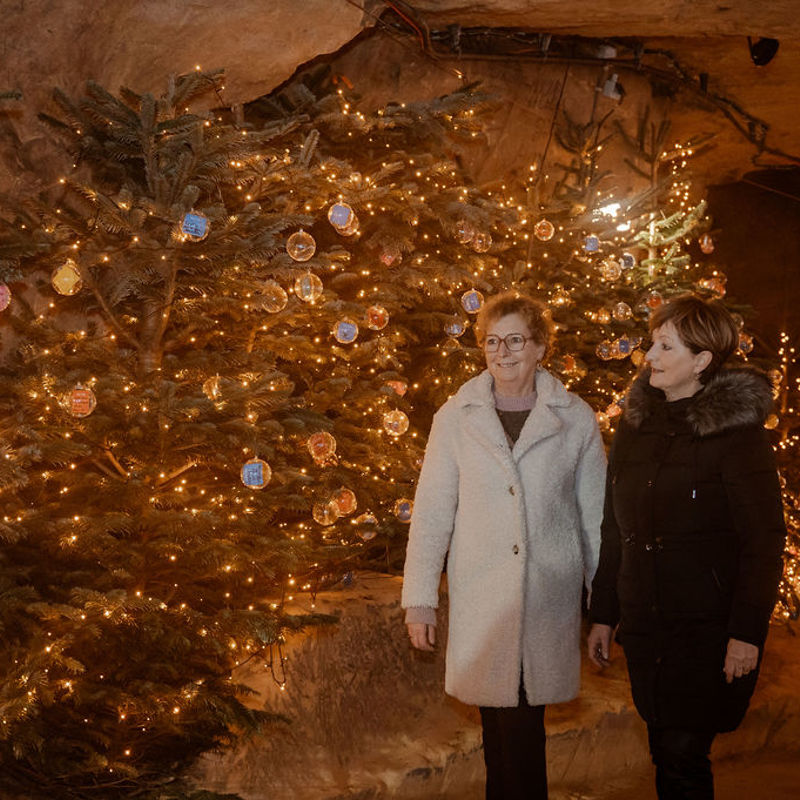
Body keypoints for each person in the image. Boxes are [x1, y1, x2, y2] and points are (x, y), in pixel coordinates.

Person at [402, 291, 606, 800]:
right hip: (482, 598)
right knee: (499, 730)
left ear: (540, 347)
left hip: (545, 598)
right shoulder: (457, 416)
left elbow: (594, 520)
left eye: (516, 339)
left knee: (520, 728)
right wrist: (420, 599)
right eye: (493, 341)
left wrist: (604, 607)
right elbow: (431, 513)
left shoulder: (574, 418)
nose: (503, 352)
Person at [587, 293, 786, 799]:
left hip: (706, 628)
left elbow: (763, 541)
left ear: (701, 361)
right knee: (664, 747)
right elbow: (616, 526)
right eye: (653, 344)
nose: (649, 357)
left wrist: (746, 633)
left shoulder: (737, 436)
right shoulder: (635, 427)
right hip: (648, 620)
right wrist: (605, 614)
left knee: (681, 755)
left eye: (665, 347)